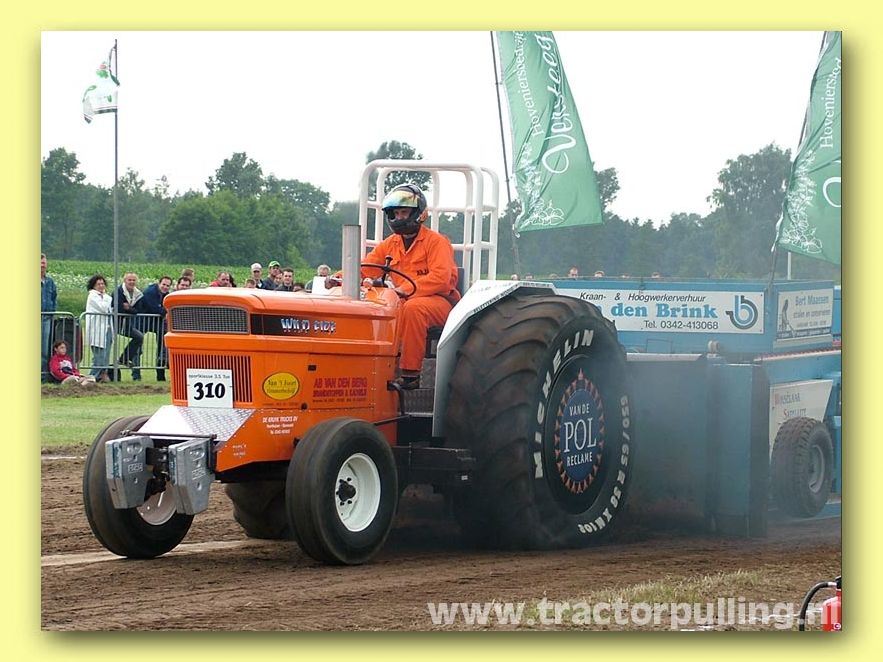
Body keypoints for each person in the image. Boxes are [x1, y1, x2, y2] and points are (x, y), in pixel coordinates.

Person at [360, 183, 460, 390]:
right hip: (402, 301)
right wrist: (338, 278)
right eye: (396, 213)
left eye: (404, 212)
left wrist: (403, 290)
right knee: (376, 308)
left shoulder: (436, 242)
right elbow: (367, 268)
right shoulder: (390, 243)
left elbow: (441, 278)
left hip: (440, 302)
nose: (399, 218)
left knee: (414, 309)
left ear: (418, 213)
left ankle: (410, 374)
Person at [136, 275, 172, 381]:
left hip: (156, 322)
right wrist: (165, 311)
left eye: (168, 286)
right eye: (163, 284)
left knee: (162, 344)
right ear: (159, 283)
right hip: (142, 321)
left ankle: (160, 372)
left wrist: (164, 310)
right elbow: (154, 308)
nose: (165, 287)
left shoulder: (166, 295)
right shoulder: (150, 292)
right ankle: (136, 375)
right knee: (138, 346)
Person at [114, 272, 144, 380]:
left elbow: (138, 310)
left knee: (139, 336)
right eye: (129, 280)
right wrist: (130, 309)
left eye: (133, 280)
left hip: (127, 324)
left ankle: (125, 358)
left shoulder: (138, 294)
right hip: (116, 323)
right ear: (124, 281)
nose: (131, 282)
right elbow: (118, 308)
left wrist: (128, 308)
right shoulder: (118, 291)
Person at [86, 274, 114, 383]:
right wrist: (107, 298)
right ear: (93, 286)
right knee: (99, 357)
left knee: (106, 356)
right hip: (97, 330)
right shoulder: (93, 296)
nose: (101, 286)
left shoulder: (105, 297)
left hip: (107, 329)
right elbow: (103, 308)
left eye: (102, 284)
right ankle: (90, 377)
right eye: (98, 284)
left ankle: (102, 376)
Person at [41, 254, 58, 381]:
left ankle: (43, 375)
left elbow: (54, 297)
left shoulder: (50, 282)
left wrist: (53, 312)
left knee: (45, 349)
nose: (43, 265)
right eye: (40, 263)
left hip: (47, 317)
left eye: (44, 263)